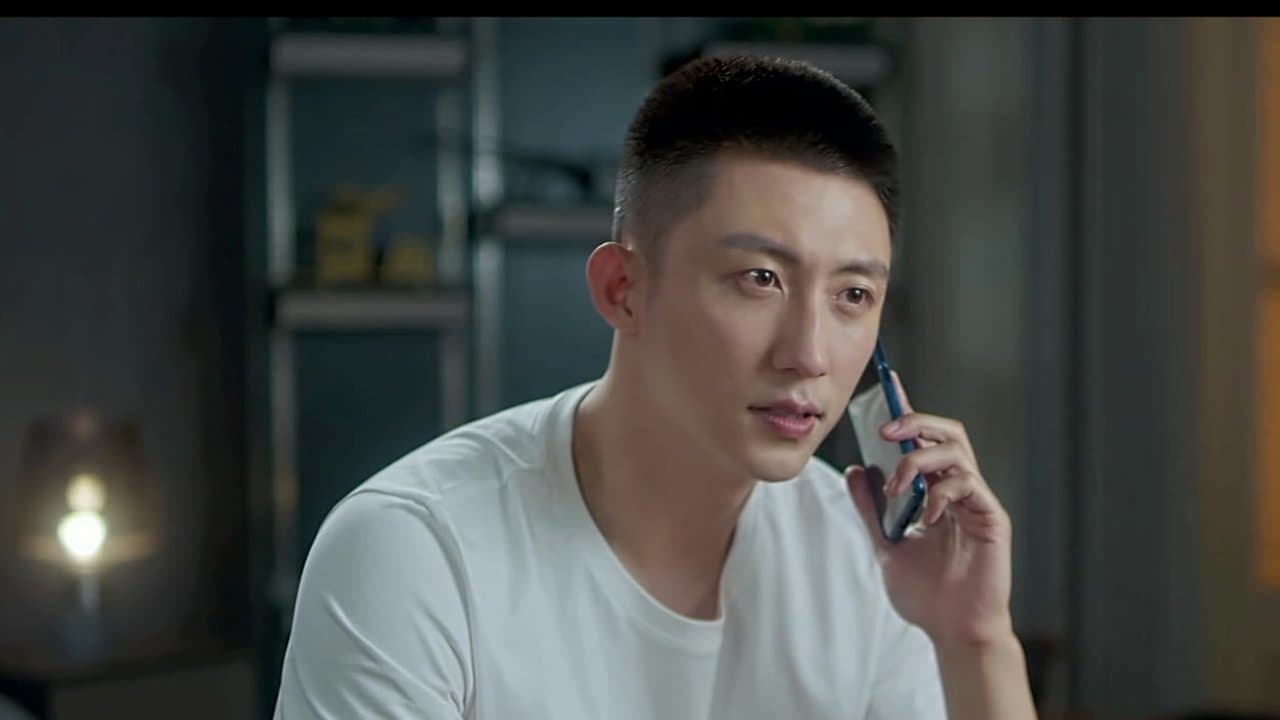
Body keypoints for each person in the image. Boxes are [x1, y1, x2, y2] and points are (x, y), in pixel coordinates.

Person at [272, 54, 1038, 720]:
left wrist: (974, 639)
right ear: (623, 289)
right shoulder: (415, 553)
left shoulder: (861, 558)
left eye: (853, 295)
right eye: (759, 279)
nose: (808, 354)